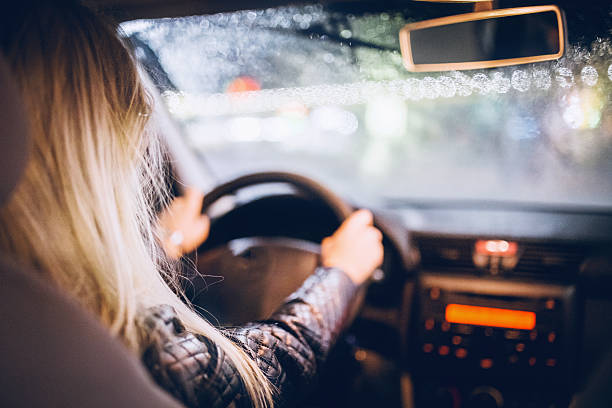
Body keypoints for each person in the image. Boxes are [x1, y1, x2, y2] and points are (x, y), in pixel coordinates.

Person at [0, 2, 384, 408]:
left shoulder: (29, 304)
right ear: (94, 154)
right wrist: (339, 275)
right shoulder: (113, 339)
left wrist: (167, 242)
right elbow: (263, 372)